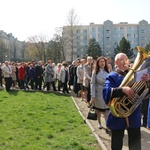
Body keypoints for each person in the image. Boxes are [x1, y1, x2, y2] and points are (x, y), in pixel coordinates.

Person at [103, 53, 141, 150]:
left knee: (135, 143)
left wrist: (148, 81)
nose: (125, 62)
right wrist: (122, 90)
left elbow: (143, 91)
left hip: (134, 113)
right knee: (116, 142)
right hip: (118, 114)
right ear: (116, 62)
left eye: (126, 59)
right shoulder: (112, 76)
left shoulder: (135, 74)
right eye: (121, 60)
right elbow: (106, 92)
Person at [91, 56, 109, 129]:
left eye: (103, 61)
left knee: (107, 109)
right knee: (98, 109)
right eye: (101, 62)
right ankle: (99, 123)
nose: (102, 63)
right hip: (98, 92)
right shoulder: (95, 72)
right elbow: (92, 84)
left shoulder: (108, 71)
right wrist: (93, 96)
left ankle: (107, 124)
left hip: (106, 92)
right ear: (98, 63)